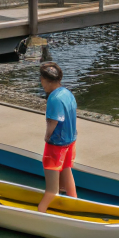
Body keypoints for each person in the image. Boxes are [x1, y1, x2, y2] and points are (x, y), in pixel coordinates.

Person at [36, 62, 78, 212]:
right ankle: (74, 203)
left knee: (52, 189)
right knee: (67, 170)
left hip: (56, 145)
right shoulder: (67, 93)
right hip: (70, 141)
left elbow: (53, 121)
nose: (41, 83)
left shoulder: (54, 99)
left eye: (41, 79)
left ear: (47, 80)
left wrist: (47, 136)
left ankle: (41, 213)